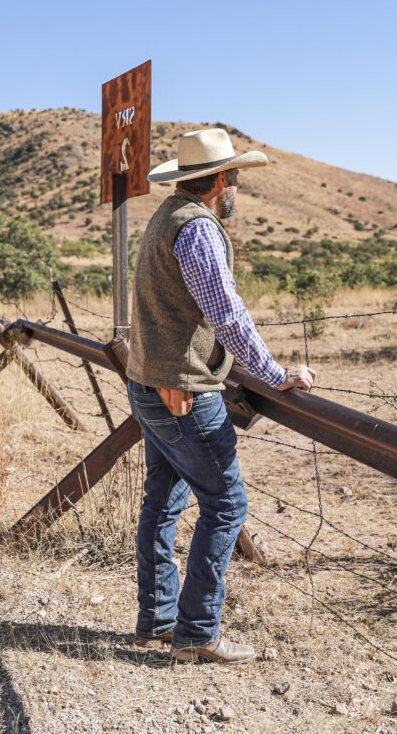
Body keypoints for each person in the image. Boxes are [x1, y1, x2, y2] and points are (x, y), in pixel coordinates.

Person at [125, 128, 317, 664]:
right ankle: (196, 633)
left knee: (163, 501)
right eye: (234, 178)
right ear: (220, 181)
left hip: (149, 384)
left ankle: (157, 622)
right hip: (181, 391)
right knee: (226, 504)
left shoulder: (166, 216)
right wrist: (275, 373)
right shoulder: (199, 230)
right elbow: (226, 314)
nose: (237, 188)